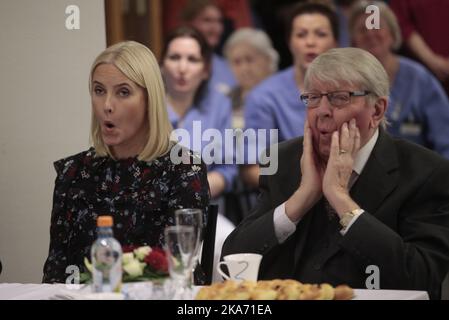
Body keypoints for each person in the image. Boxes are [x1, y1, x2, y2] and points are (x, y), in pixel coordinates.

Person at [222, 47, 449, 299]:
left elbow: (421, 277)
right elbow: (232, 260)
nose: (322, 111)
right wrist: (300, 199)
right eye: (313, 98)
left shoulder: (426, 172)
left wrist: (342, 200)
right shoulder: (284, 160)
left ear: (377, 111)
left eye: (339, 98)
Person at [42, 41, 210, 283]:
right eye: (99, 90)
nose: (107, 106)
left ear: (149, 100)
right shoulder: (72, 172)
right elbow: (55, 273)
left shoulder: (183, 169)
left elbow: (177, 270)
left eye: (123, 92)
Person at [242, 2, 339, 188]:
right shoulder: (264, 96)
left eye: (321, 34)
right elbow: (252, 169)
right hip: (288, 200)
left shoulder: (352, 92)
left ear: (335, 42)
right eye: (301, 34)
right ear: (289, 42)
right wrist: (305, 190)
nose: (310, 42)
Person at [350, 1, 449, 159]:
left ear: (393, 34)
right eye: (363, 29)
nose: (370, 34)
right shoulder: (345, 80)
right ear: (353, 39)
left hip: (418, 175)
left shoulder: (419, 79)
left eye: (377, 27)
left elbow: (445, 139)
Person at [160, 26, 236, 201]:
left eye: (193, 59)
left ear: (205, 71)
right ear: (162, 65)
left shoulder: (220, 105)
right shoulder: (146, 105)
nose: (182, 68)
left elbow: (227, 170)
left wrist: (193, 194)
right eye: (174, 57)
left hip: (202, 204)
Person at [222, 27, 279, 222]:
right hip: (234, 192)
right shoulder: (225, 99)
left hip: (273, 187)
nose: (244, 68)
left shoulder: (280, 96)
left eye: (250, 59)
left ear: (269, 60)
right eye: (237, 62)